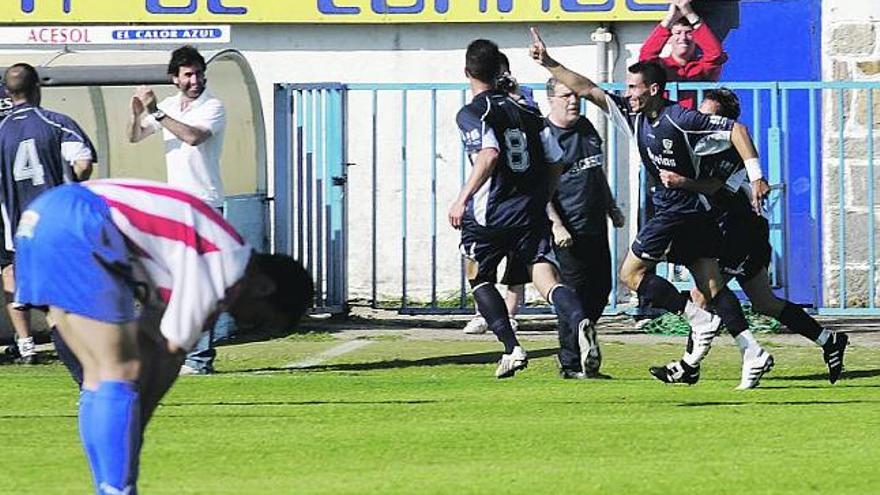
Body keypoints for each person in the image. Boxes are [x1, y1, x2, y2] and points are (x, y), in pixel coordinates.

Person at [14, 178, 313, 494]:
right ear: (264, 288)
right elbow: (170, 351)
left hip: (43, 214)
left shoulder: (206, 253)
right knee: (121, 370)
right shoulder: (224, 262)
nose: (251, 325)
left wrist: (134, 422)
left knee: (97, 375)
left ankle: (108, 485)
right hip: (81, 219)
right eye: (261, 321)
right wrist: (136, 425)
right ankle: (117, 488)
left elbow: (155, 341)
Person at [530, 28, 773, 389]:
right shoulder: (634, 116)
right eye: (627, 88)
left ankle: (696, 318)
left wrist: (756, 176)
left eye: (633, 88)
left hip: (676, 213)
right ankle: (752, 351)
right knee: (712, 286)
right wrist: (550, 63)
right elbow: (586, 88)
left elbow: (737, 130)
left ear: (654, 90)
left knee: (630, 275)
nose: (628, 94)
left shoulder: (682, 119)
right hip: (694, 215)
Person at [652, 88, 849, 384]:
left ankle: (689, 366)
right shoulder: (700, 146)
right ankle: (829, 341)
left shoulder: (731, 151)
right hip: (727, 233)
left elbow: (716, 189)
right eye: (700, 113)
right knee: (764, 303)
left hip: (743, 232)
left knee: (701, 297)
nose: (701, 120)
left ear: (724, 121)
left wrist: (683, 182)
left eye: (709, 115)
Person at [451, 39, 599, 379]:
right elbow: (556, 160)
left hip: (490, 215)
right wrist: (540, 196)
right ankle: (579, 320)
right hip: (529, 214)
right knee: (548, 280)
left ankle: (512, 348)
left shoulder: (474, 112)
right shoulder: (529, 111)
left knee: (479, 277)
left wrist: (462, 197)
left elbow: (488, 155)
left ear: (467, 72)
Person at [128, 45, 231, 375]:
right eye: (188, 74)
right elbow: (135, 137)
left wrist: (156, 112)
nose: (195, 80)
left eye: (199, 73)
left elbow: (192, 137)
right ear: (175, 78)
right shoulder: (171, 106)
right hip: (176, 206)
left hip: (205, 203)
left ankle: (199, 358)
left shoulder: (212, 106)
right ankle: (181, 353)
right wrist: (136, 114)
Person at [0, 63, 95, 367]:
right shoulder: (56, 123)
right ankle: (81, 360)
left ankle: (27, 345)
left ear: (8, 92)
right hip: (56, 225)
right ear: (37, 86)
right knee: (62, 298)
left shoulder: (1, 131)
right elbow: (83, 163)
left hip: (17, 230)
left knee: (19, 286)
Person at [544, 77, 625, 378]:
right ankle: (570, 363)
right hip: (567, 230)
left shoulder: (587, 129)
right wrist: (556, 224)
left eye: (576, 95)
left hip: (594, 225)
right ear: (551, 99)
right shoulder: (545, 136)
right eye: (566, 95)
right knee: (573, 294)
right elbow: (542, 189)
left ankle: (584, 342)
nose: (573, 101)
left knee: (601, 288)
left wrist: (611, 206)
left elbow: (596, 171)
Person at [639, 0, 727, 110]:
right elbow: (645, 56)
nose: (683, 38)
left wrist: (690, 14)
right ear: (669, 37)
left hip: (695, 124)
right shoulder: (661, 66)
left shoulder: (703, 67)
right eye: (678, 33)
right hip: (667, 123)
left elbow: (716, 54)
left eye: (688, 33)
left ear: (696, 37)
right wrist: (669, 19)